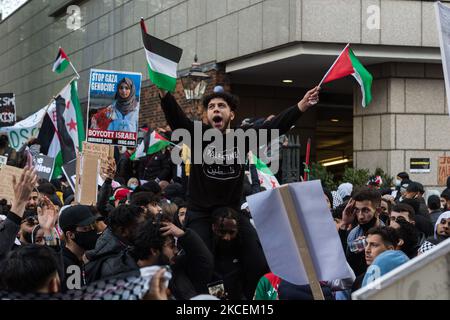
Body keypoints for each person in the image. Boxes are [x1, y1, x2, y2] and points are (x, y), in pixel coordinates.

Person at [158, 86, 320, 250]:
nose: (216, 109)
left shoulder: (242, 136)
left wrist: (302, 106)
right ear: (207, 115)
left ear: (231, 114)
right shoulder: (197, 134)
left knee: (256, 257)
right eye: (211, 107)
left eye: (221, 106)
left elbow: (274, 127)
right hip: (201, 213)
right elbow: (177, 120)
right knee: (201, 256)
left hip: (232, 211)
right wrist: (164, 94)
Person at [131, 215, 214, 299]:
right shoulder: (131, 283)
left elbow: (205, 262)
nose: (176, 251)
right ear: (154, 251)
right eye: (171, 246)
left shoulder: (176, 267)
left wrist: (184, 235)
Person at [210, 207, 268, 300]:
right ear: (213, 228)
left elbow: (257, 268)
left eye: (231, 232)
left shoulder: (246, 246)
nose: (227, 237)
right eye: (222, 232)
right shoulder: (208, 246)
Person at [84, 205, 146, 283]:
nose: (146, 230)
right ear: (123, 231)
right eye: (141, 226)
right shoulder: (115, 267)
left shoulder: (123, 245)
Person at [339, 187, 385, 276]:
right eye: (357, 210)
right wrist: (344, 223)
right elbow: (342, 263)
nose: (360, 216)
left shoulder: (385, 235)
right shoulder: (354, 234)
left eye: (365, 210)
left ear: (378, 211)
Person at [58, 205, 99, 291]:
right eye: (86, 228)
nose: (92, 231)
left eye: (93, 226)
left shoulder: (80, 259)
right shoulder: (70, 267)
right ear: (70, 235)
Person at [351, 226, 399, 292]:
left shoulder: (401, 277)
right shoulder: (359, 281)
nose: (367, 250)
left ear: (390, 250)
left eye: (374, 245)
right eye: (366, 244)